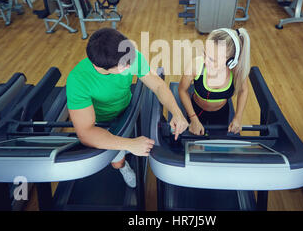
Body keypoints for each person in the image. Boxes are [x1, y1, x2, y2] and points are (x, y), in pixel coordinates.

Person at [66, 28, 189, 188]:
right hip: (101, 124)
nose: (130, 66)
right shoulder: (78, 81)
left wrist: (177, 113)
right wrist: (129, 144)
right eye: (124, 66)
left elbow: (158, 85)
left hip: (126, 108)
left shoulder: (130, 57)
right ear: (100, 67)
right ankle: (123, 167)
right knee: (118, 162)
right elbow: (86, 132)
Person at [178, 28, 251, 136]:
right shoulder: (196, 65)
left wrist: (238, 117)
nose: (206, 61)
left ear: (230, 61)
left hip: (221, 113)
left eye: (212, 59)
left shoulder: (235, 70)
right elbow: (182, 90)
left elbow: (244, 90)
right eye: (205, 53)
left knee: (216, 144)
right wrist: (193, 118)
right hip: (195, 111)